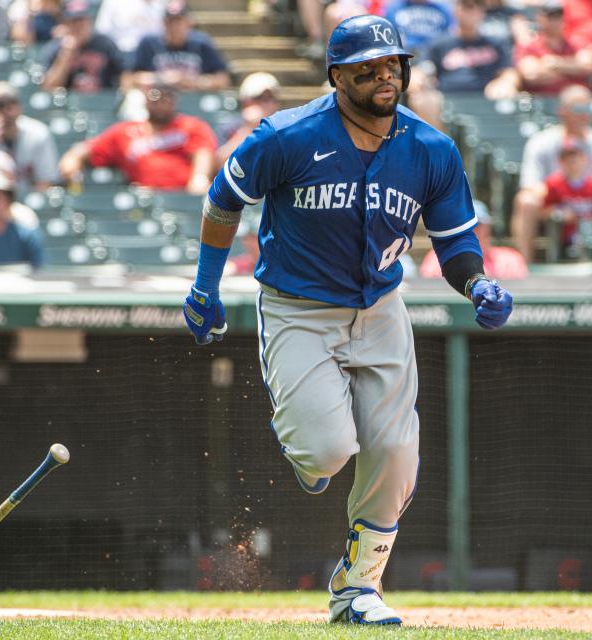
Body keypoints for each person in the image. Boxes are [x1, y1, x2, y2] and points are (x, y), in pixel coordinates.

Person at [181, 15, 513, 626]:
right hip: (298, 307)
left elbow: (455, 244)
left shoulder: (431, 148)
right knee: (329, 452)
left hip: (382, 306)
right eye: (369, 67)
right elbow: (223, 200)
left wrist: (478, 282)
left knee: (394, 453)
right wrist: (205, 282)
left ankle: (358, 588)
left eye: (393, 64)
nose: (385, 75)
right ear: (337, 75)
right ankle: (316, 453)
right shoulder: (286, 136)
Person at [510, 85, 592, 260]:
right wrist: (562, 198)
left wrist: (577, 192)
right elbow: (530, 186)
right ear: (563, 111)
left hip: (589, 201)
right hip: (553, 203)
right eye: (578, 109)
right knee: (525, 201)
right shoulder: (541, 142)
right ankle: (525, 265)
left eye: (588, 108)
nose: (584, 114)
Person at [59, 84, 217, 193]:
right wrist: (72, 159)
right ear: (146, 100)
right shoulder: (125, 132)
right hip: (146, 199)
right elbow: (86, 149)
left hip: (185, 196)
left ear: (175, 101)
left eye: (167, 97)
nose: (161, 103)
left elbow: (202, 153)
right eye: (156, 97)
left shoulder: (191, 126)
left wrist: (200, 178)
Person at [0, 82, 60, 195]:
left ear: (19, 107)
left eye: (11, 103)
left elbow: (47, 181)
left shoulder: (38, 132)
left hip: (27, 199)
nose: (6, 110)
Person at [416, 0, 520, 97]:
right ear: (456, 10)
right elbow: (422, 70)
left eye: (479, 6)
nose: (474, 11)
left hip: (487, 101)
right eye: (468, 6)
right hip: (447, 103)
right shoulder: (439, 43)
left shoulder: (495, 43)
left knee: (508, 90)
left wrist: (503, 83)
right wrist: (421, 80)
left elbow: (510, 73)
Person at [126, 0, 230, 92]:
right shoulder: (149, 43)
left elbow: (223, 80)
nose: (174, 27)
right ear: (164, 23)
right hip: (157, 100)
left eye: (179, 21)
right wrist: (162, 79)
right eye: (170, 22)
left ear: (189, 23)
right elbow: (130, 79)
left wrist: (196, 82)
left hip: (195, 101)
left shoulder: (201, 43)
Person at [420, 200, 527, 279]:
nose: (472, 231)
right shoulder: (436, 259)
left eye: (477, 225)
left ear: (488, 228)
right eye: (465, 224)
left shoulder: (510, 259)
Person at [513, 0, 592, 96]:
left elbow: (588, 67)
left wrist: (554, 63)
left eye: (559, 17)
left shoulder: (577, 42)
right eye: (551, 17)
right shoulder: (529, 45)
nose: (557, 21)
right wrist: (572, 68)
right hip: (540, 103)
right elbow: (532, 75)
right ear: (540, 19)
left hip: (576, 105)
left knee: (577, 93)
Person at [41, 0, 124, 92]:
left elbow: (124, 76)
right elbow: (49, 87)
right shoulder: (55, 48)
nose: (78, 27)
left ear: (89, 21)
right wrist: (65, 54)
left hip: (102, 102)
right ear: (65, 24)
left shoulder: (105, 44)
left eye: (81, 21)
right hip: (67, 104)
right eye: (73, 22)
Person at [541, 137, 592, 252]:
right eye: (568, 158)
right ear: (561, 161)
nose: (573, 162)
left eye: (576, 157)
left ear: (585, 159)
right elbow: (543, 211)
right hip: (563, 237)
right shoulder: (553, 183)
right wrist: (559, 213)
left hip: (590, 239)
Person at [216, 73, 282, 171]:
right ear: (245, 101)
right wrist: (249, 128)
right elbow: (220, 165)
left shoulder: (284, 127)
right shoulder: (229, 127)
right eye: (260, 98)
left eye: (270, 98)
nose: (266, 103)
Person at [95, 0, 166, 56]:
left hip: (154, 54)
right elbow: (101, 30)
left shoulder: (162, 4)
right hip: (121, 53)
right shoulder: (114, 2)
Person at [385, 0, 455, 54]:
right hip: (406, 52)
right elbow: (389, 36)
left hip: (434, 53)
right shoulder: (394, 8)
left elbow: (450, 35)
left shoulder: (442, 9)